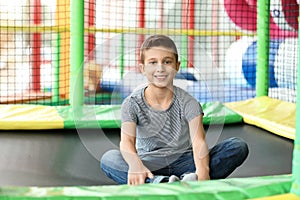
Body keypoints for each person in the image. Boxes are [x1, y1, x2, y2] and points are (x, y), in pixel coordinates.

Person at [100, 35, 249, 185]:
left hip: (185, 161)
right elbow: (127, 142)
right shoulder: (132, 103)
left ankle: (186, 178)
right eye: (153, 62)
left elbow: (199, 142)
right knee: (109, 159)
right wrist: (135, 165)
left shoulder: (189, 102)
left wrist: (203, 174)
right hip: (148, 164)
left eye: (167, 62)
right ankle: (161, 182)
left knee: (237, 146)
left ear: (177, 66)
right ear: (143, 68)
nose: (160, 68)